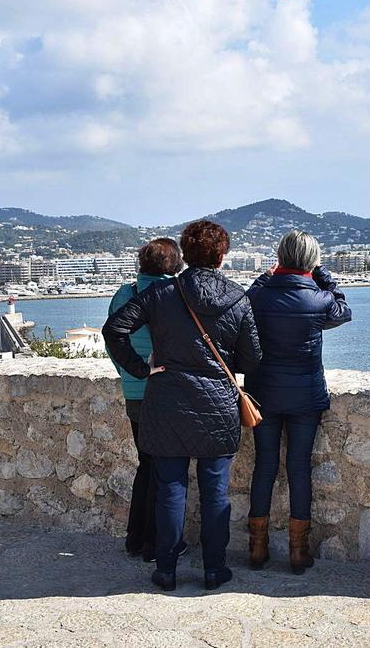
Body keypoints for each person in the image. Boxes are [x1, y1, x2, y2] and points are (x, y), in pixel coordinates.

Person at [103, 220, 261, 592]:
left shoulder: (162, 295)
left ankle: (167, 570)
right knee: (215, 491)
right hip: (217, 404)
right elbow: (252, 359)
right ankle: (213, 569)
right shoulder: (238, 297)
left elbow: (115, 330)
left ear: (186, 255)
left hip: (167, 402)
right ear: (222, 256)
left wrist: (142, 369)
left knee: (171, 487)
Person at [244, 230, 351, 574]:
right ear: (311, 261)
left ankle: (257, 548)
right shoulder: (318, 300)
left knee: (265, 465)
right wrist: (322, 274)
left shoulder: (259, 296)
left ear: (279, 257)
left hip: (264, 393)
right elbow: (343, 310)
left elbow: (246, 301)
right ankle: (297, 551)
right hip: (306, 396)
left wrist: (268, 273)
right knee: (299, 468)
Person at [105, 237, 184, 562]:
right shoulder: (174, 295)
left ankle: (134, 538)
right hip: (164, 392)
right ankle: (154, 543)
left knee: (146, 464)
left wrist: (133, 373)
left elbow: (112, 340)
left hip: (135, 394)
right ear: (176, 264)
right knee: (162, 469)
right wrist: (147, 371)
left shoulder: (125, 294)